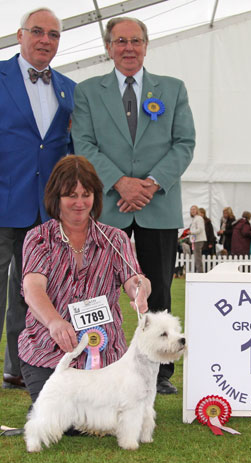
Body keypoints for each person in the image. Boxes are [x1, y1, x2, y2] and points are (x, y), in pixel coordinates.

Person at [71, 17, 195, 394]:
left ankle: (158, 375)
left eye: (136, 41)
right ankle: (97, 364)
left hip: (158, 207)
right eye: (120, 41)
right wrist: (120, 183)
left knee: (157, 290)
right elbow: (85, 144)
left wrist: (151, 184)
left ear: (146, 45)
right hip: (109, 208)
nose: (128, 48)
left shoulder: (173, 89)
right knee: (98, 289)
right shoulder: (88, 91)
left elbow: (184, 143)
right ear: (108, 47)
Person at [18, 155, 151, 404]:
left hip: (107, 357)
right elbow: (32, 288)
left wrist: (140, 289)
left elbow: (135, 279)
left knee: (99, 418)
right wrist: (55, 323)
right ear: (56, 198)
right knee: (68, 422)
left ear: (96, 197)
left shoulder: (115, 238)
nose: (79, 203)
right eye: (71, 195)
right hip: (48, 353)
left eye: (86, 194)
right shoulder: (38, 238)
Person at [0, 8, 76, 390]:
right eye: (38, 32)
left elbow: (67, 148)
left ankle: (18, 366)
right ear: (19, 35)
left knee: (32, 290)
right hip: (2, 202)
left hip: (45, 211)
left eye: (54, 35)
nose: (46, 40)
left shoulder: (69, 88)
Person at [189, 205, 206, 272]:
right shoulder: (195, 218)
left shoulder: (199, 218)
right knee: (197, 258)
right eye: (191, 209)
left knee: (198, 258)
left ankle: (200, 273)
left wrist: (191, 232)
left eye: (194, 209)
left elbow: (200, 229)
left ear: (197, 210)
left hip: (198, 240)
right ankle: (199, 272)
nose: (192, 211)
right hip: (195, 240)